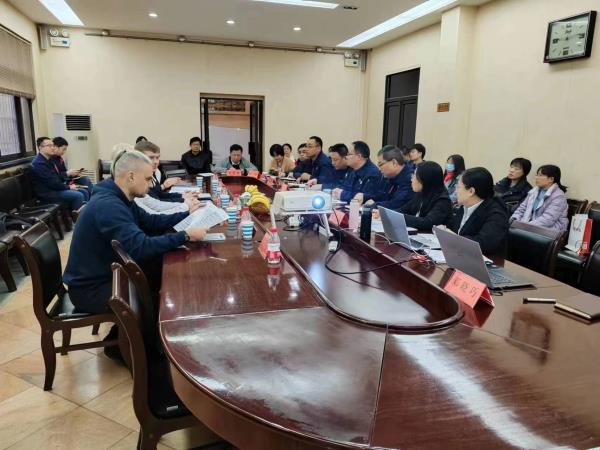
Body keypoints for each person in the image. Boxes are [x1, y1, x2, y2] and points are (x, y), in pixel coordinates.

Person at [63, 147, 208, 315]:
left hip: (111, 273)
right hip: (92, 289)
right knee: (163, 296)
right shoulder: (109, 205)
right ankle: (144, 330)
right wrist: (185, 235)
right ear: (131, 177)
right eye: (147, 179)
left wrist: (186, 214)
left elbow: (151, 221)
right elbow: (140, 247)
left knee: (165, 271)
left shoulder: (121, 197)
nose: (150, 184)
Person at [449, 167, 509, 255]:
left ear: (471, 191)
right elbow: (455, 229)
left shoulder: (497, 214)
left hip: (486, 260)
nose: (455, 190)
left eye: (458, 187)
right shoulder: (465, 205)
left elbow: (483, 244)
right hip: (462, 254)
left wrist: (452, 237)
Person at [30, 137, 86, 211]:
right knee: (78, 195)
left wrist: (68, 184)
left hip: (54, 189)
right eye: (49, 146)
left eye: (53, 145)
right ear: (40, 147)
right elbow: (52, 183)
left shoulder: (49, 160)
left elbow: (56, 177)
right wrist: (68, 187)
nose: (53, 148)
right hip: (47, 193)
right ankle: (77, 217)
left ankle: (84, 213)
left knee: (82, 191)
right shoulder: (39, 163)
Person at [510, 164, 568, 232]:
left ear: (551, 179)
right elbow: (522, 208)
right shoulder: (534, 191)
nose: (536, 177)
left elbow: (548, 219)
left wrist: (524, 227)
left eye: (540, 175)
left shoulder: (559, 196)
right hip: (530, 228)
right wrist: (514, 219)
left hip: (550, 231)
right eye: (537, 175)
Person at [397, 161, 452, 231]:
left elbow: (428, 222)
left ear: (425, 179)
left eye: (415, 175)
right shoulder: (422, 193)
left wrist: (400, 217)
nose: (412, 179)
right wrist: (388, 214)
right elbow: (403, 209)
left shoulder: (443, 200)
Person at [361, 145, 414, 209]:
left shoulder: (410, 179)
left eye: (380, 164)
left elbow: (396, 204)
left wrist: (374, 205)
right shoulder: (390, 176)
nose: (379, 169)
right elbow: (383, 196)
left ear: (394, 163)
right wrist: (365, 197)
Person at [52, 136, 93, 200]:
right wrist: (68, 173)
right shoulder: (51, 160)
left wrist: (73, 174)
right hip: (60, 182)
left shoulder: (59, 158)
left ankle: (93, 199)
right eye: (63, 149)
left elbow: (64, 172)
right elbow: (55, 176)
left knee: (86, 179)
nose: (64, 152)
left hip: (65, 179)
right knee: (84, 192)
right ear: (56, 147)